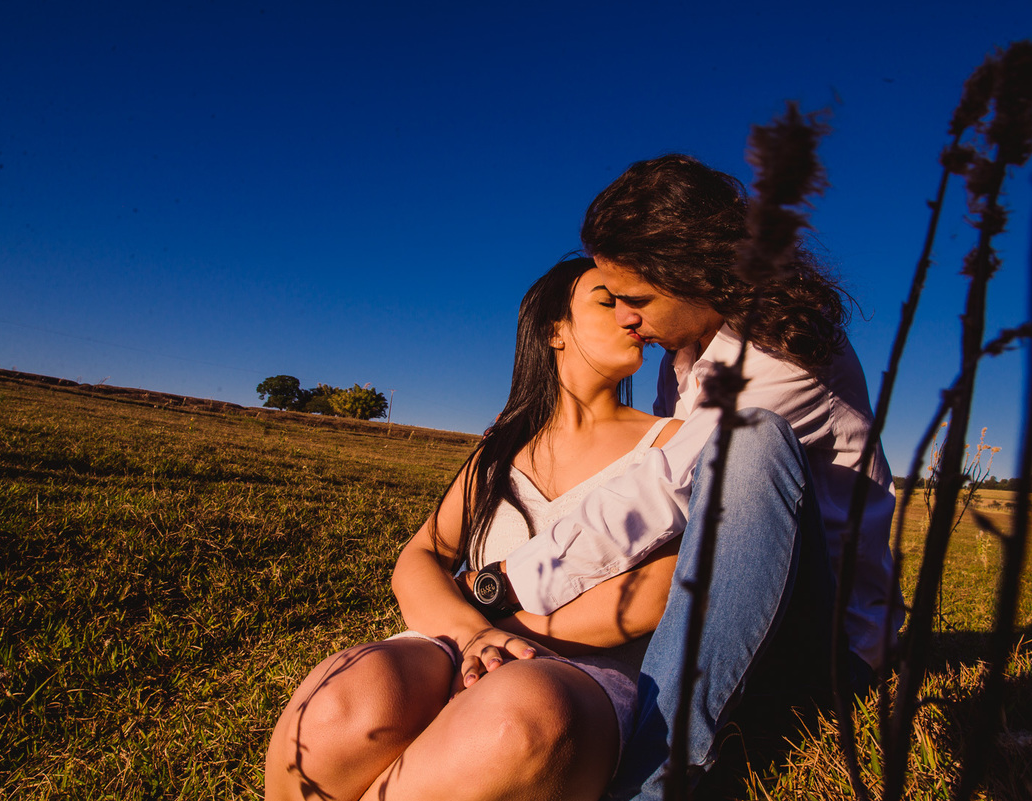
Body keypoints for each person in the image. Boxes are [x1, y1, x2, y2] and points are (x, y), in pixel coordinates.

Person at [481, 154, 901, 800]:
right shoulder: (683, 352)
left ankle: (656, 778)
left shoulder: (779, 350)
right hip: (736, 601)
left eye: (636, 298)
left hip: (823, 642)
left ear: (697, 273)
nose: (623, 316)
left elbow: (657, 493)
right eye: (614, 297)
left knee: (750, 443)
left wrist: (504, 582)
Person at [263, 257, 686, 801]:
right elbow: (422, 555)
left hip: (583, 672)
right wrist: (474, 635)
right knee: (342, 706)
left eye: (637, 303)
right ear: (554, 330)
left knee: (516, 725)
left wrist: (507, 640)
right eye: (609, 301)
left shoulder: (673, 444)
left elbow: (652, 594)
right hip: (460, 639)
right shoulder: (501, 449)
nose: (634, 317)